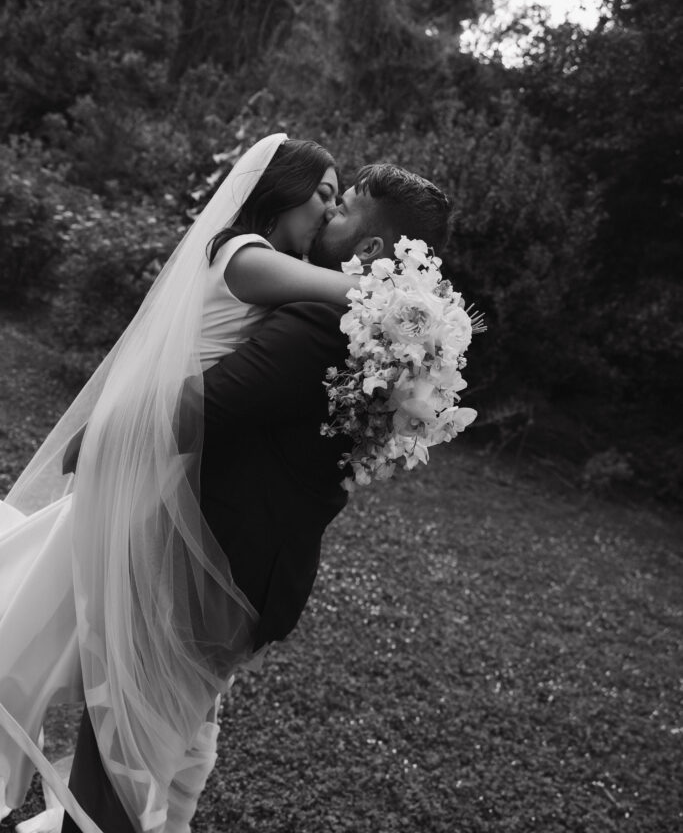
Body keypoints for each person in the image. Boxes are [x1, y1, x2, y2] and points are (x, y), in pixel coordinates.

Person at [0, 134, 450, 833]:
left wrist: (103, 436)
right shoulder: (367, 331)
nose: (329, 210)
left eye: (344, 204)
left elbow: (199, 407)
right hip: (236, 556)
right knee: (150, 727)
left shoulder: (329, 324)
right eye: (324, 195)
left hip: (212, 561)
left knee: (126, 739)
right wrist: (408, 310)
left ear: (369, 247)